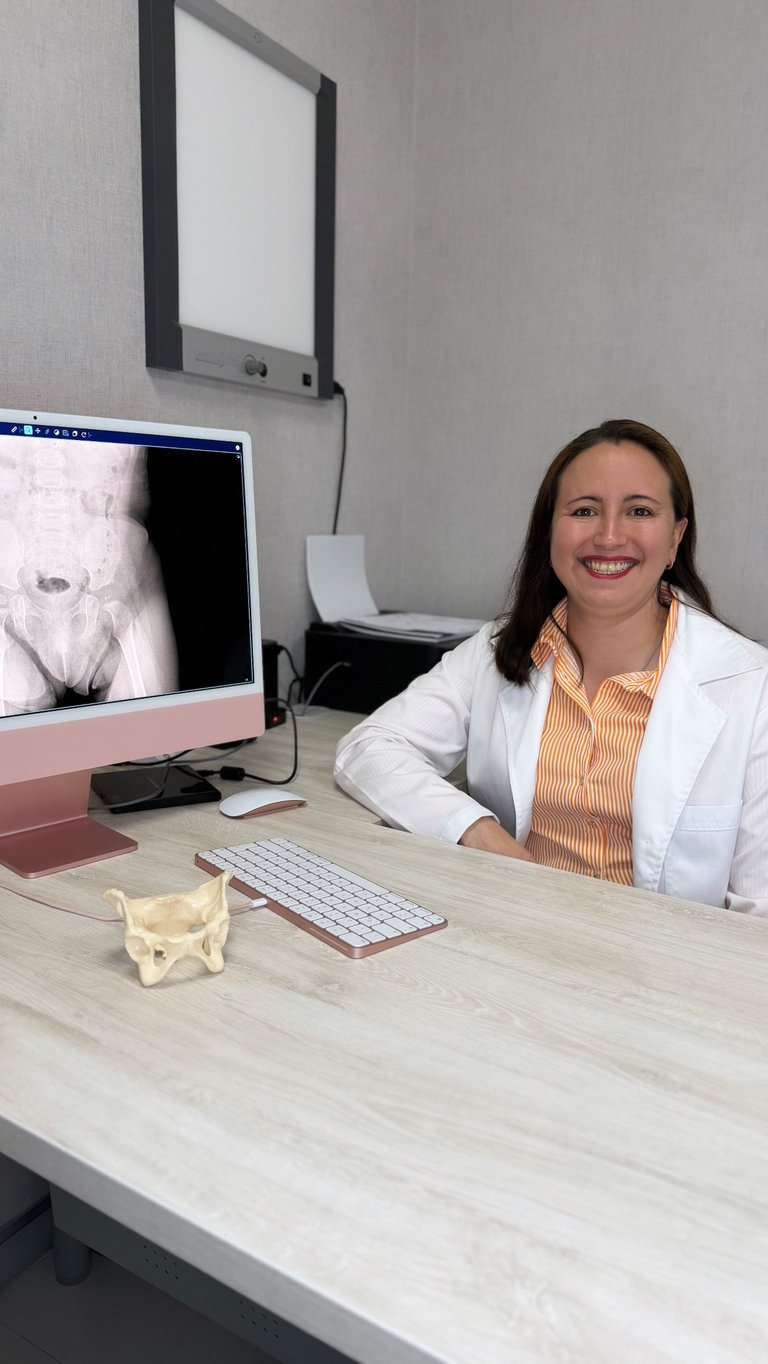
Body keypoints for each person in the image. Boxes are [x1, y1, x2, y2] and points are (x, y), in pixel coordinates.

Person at [334, 419, 768, 915]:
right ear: (549, 533)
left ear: (675, 539)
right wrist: (477, 831)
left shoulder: (752, 686)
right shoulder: (497, 650)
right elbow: (369, 748)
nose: (609, 535)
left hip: (661, 956)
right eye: (584, 510)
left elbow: (759, 918)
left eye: (639, 511)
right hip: (514, 926)